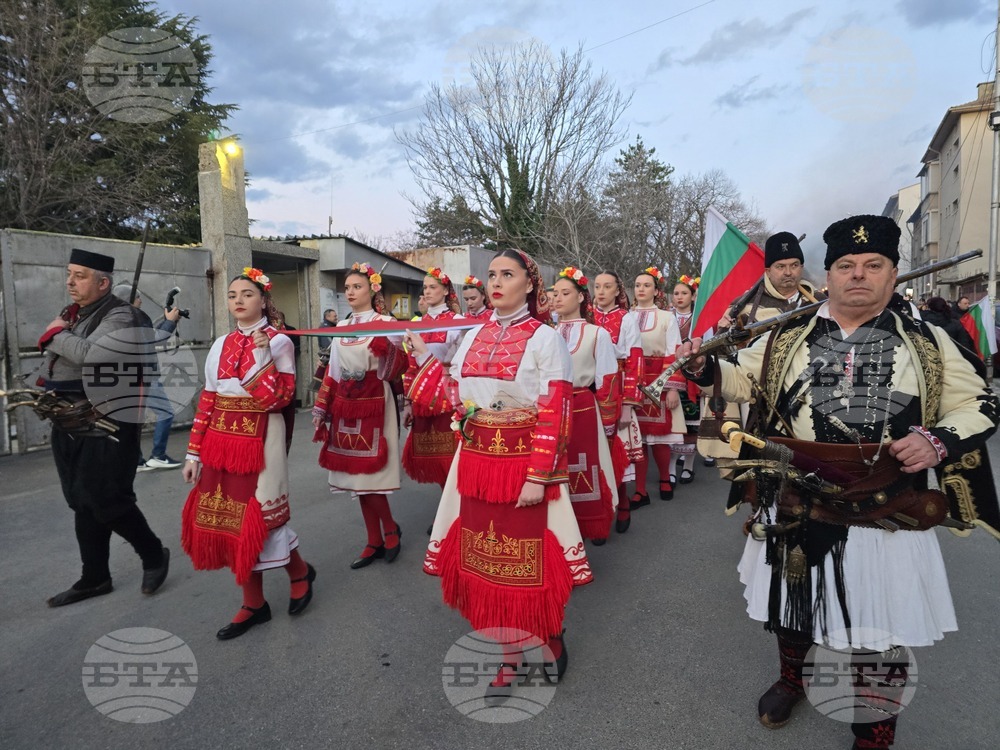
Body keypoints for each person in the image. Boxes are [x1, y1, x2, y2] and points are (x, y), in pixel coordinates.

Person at [678, 215, 999, 749]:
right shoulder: (786, 335)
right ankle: (793, 679)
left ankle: (875, 730)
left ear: (893, 274)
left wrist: (938, 440)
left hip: (884, 504)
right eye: (846, 265)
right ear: (827, 276)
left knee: (879, 628)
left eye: (873, 265)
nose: (858, 275)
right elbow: (741, 377)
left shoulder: (928, 340)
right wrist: (702, 367)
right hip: (795, 497)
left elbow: (980, 403)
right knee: (791, 607)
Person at [405, 248, 592, 701]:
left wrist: (538, 476)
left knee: (530, 560)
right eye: (491, 275)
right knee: (487, 563)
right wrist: (425, 359)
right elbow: (454, 397)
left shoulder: (546, 339)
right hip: (476, 463)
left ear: (529, 284)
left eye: (507, 274)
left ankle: (549, 637)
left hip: (524, 465)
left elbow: (555, 410)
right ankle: (509, 654)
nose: (496, 282)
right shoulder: (473, 334)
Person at [181, 267, 315, 639]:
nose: (238, 300)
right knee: (231, 519)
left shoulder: (280, 341)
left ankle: (298, 572)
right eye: (232, 295)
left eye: (247, 294)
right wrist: (194, 454)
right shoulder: (219, 344)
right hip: (222, 441)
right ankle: (253, 602)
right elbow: (208, 399)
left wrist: (263, 355)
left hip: (262, 436)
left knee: (261, 517)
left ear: (264, 300)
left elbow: (277, 399)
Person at [38, 249, 169, 607]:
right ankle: (94, 577)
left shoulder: (123, 315)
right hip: (67, 417)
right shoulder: (74, 314)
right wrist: (63, 335)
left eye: (79, 275)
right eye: (69, 274)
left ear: (103, 283)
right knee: (81, 500)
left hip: (108, 418)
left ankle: (153, 554)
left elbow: (93, 355)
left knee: (106, 498)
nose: (70, 282)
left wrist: (53, 333)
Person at [312, 262, 407, 569]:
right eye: (348, 288)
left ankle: (389, 530)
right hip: (346, 404)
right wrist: (322, 407)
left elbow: (398, 369)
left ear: (372, 290)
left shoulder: (386, 323)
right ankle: (373, 539)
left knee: (371, 477)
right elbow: (333, 371)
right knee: (356, 478)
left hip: (375, 403)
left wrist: (388, 349)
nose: (351, 292)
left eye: (357, 287)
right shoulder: (341, 326)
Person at [699, 232, 821, 469]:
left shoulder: (819, 302)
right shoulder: (742, 306)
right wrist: (725, 335)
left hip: (810, 396)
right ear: (768, 270)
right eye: (781, 266)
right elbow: (726, 360)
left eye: (795, 265)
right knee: (762, 471)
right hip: (757, 399)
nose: (789, 272)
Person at [551, 266, 621, 546]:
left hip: (583, 408)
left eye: (565, 293)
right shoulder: (546, 333)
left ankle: (591, 521)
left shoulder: (596, 334)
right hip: (552, 408)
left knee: (586, 465)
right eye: (555, 293)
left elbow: (607, 379)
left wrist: (608, 422)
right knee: (555, 467)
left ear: (581, 297)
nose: (557, 298)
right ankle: (560, 525)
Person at [401, 268, 464, 532]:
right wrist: (408, 403)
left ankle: (460, 516)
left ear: (446, 290)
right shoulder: (416, 324)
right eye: (425, 287)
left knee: (453, 461)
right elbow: (410, 367)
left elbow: (461, 364)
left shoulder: (458, 322)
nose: (427, 291)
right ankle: (449, 513)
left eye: (433, 287)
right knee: (437, 461)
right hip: (423, 401)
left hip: (448, 399)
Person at [110, 284, 183, 471]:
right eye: (138, 297)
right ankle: (158, 455)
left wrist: (168, 321)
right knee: (165, 412)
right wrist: (170, 322)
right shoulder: (132, 318)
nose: (141, 301)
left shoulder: (119, 318)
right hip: (144, 376)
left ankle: (136, 460)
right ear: (128, 299)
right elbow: (155, 339)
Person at [592, 271, 644, 533]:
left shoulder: (627, 318)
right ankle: (598, 513)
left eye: (607, 286)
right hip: (589, 390)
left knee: (616, 452)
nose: (601, 291)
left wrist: (627, 404)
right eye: (597, 286)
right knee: (592, 455)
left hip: (617, 388)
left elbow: (635, 359)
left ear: (617, 291)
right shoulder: (585, 317)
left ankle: (622, 503)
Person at [629, 266, 685, 502]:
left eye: (646, 285)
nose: (641, 289)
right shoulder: (626, 316)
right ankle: (640, 490)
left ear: (656, 290)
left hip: (659, 381)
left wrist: (672, 387)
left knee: (659, 436)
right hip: (633, 383)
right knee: (637, 437)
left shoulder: (666, 317)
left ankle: (664, 478)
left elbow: (675, 352)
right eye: (637, 285)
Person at [670, 275, 701, 484]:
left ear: (693, 296)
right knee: (672, 421)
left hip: (692, 374)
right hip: (671, 372)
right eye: (676, 293)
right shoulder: (667, 317)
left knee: (692, 421)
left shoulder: (699, 319)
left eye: (684, 293)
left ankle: (689, 464)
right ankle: (671, 466)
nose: (679, 297)